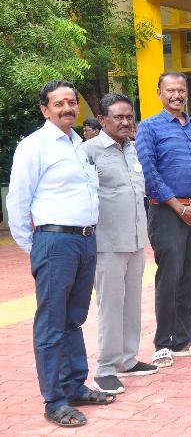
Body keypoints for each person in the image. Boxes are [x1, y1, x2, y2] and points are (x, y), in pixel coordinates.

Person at [7, 80, 114, 428]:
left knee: (73, 319)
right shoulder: (34, 146)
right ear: (44, 109)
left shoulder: (78, 145)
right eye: (59, 104)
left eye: (71, 103)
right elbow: (18, 201)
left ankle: (74, 385)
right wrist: (34, 246)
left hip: (84, 241)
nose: (67, 108)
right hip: (55, 243)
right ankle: (55, 399)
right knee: (52, 324)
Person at [136, 72, 191, 367]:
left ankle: (183, 340)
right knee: (168, 278)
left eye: (181, 90)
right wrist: (179, 207)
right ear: (159, 92)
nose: (176, 95)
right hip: (167, 213)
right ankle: (162, 343)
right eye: (170, 90)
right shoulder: (149, 128)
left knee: (189, 277)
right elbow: (149, 172)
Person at [82, 93, 156, 395]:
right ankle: (106, 368)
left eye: (129, 116)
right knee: (110, 307)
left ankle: (128, 359)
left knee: (132, 303)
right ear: (102, 120)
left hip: (136, 241)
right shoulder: (88, 152)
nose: (126, 122)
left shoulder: (134, 150)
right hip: (107, 244)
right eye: (118, 117)